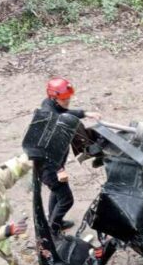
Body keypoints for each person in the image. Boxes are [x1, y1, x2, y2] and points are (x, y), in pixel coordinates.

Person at [39, 77, 101, 233]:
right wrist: (59, 169)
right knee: (66, 200)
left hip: (49, 163)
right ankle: (52, 231)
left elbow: (65, 112)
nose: (67, 101)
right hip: (49, 165)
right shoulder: (50, 120)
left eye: (68, 98)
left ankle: (54, 222)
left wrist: (85, 113)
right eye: (64, 99)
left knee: (57, 192)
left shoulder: (50, 105)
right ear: (53, 97)